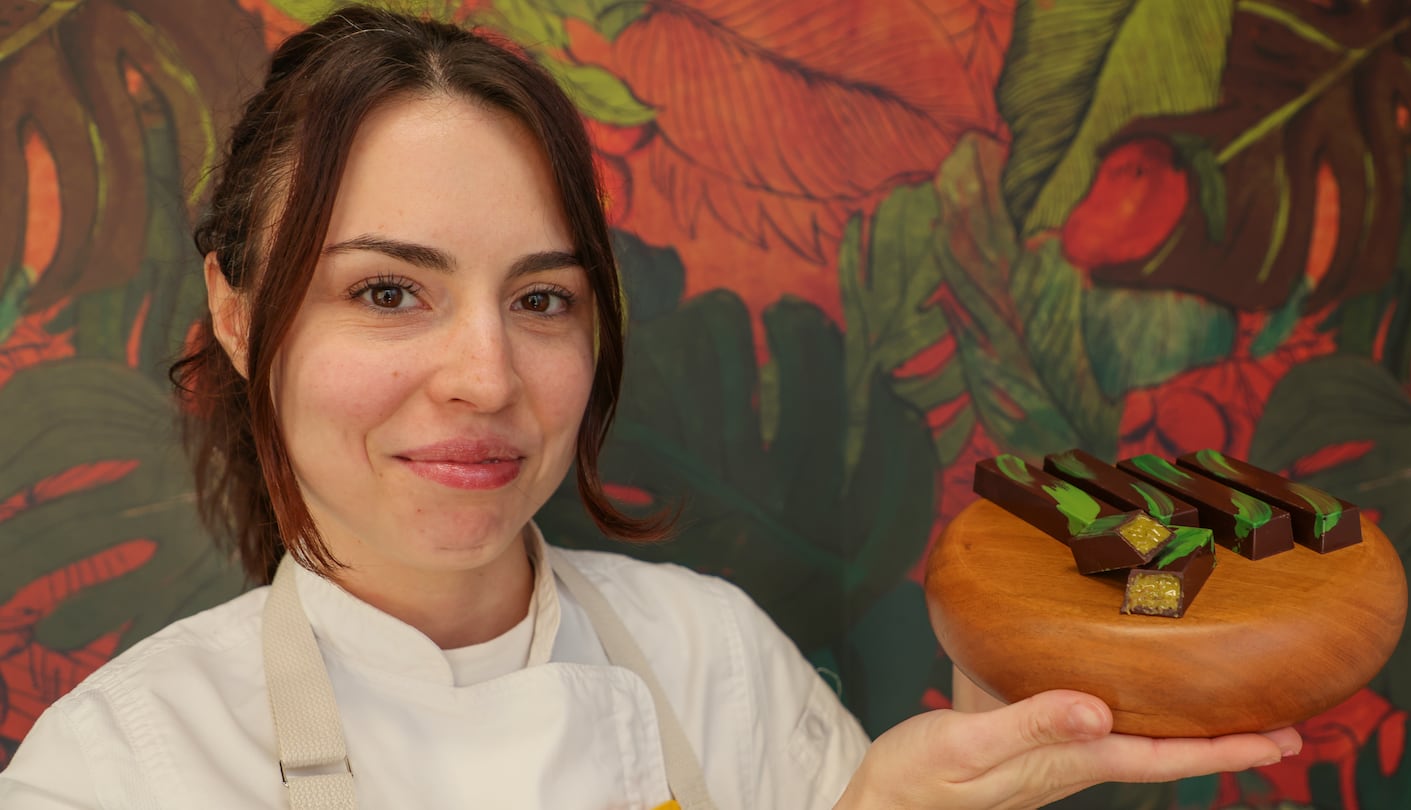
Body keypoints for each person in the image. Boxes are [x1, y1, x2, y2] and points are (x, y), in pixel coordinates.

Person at [0, 6, 1300, 808]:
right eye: (390, 291)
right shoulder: (118, 766)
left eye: (544, 299)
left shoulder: (712, 659)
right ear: (236, 314)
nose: (487, 376)